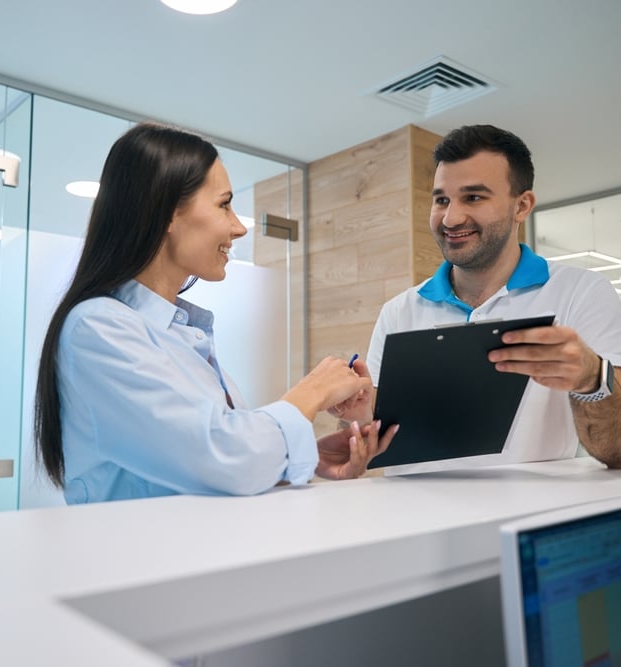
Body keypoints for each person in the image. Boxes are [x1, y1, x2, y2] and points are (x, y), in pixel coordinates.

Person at [34, 122, 396, 503]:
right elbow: (226, 458)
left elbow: (214, 461)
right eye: (224, 204)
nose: (239, 227)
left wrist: (308, 457)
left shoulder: (179, 332)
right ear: (167, 212)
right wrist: (314, 392)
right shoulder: (96, 328)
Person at [336, 124, 621, 469]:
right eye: (441, 200)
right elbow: (368, 444)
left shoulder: (582, 293)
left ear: (522, 206)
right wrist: (357, 418)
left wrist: (591, 378)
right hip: (414, 503)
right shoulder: (398, 311)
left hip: (536, 504)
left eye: (473, 197)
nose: (451, 218)